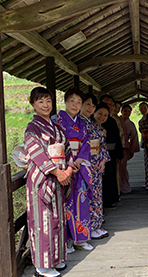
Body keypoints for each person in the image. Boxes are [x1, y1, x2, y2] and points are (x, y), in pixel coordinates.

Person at [24, 87, 75, 277]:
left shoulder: (58, 128)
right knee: (43, 222)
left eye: (48, 101)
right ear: (33, 105)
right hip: (43, 180)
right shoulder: (32, 128)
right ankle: (43, 265)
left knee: (58, 220)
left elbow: (68, 151)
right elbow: (36, 152)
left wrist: (68, 170)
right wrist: (56, 172)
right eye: (40, 102)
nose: (45, 105)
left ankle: (57, 258)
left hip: (60, 178)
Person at [52, 88, 93, 253]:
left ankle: (81, 240)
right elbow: (54, 144)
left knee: (81, 202)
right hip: (63, 166)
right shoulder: (56, 120)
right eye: (72, 101)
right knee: (64, 204)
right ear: (65, 102)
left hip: (79, 166)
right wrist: (69, 164)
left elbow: (87, 144)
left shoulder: (83, 123)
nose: (75, 105)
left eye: (79, 102)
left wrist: (77, 162)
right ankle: (67, 241)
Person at [80, 95, 110, 240]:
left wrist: (103, 160)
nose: (102, 117)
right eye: (100, 113)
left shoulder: (96, 127)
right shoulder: (84, 123)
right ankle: (91, 226)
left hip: (97, 162)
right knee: (90, 195)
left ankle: (97, 223)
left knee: (97, 194)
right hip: (87, 163)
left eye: (106, 115)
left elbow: (102, 146)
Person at [100, 94, 124, 208]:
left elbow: (118, 138)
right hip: (98, 155)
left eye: (111, 104)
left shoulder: (113, 121)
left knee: (110, 177)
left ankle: (110, 199)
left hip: (112, 153)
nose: (108, 105)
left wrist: (119, 154)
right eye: (106, 103)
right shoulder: (95, 120)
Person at [119, 104, 140, 194]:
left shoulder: (130, 124)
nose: (127, 113)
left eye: (129, 111)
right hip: (115, 147)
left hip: (124, 148)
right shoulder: (116, 120)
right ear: (121, 111)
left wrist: (132, 149)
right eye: (125, 111)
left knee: (122, 167)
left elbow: (134, 137)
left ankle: (124, 187)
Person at [138, 102, 148, 189]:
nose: (143, 110)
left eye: (145, 108)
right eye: (141, 108)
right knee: (146, 163)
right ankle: (147, 182)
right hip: (146, 144)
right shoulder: (140, 121)